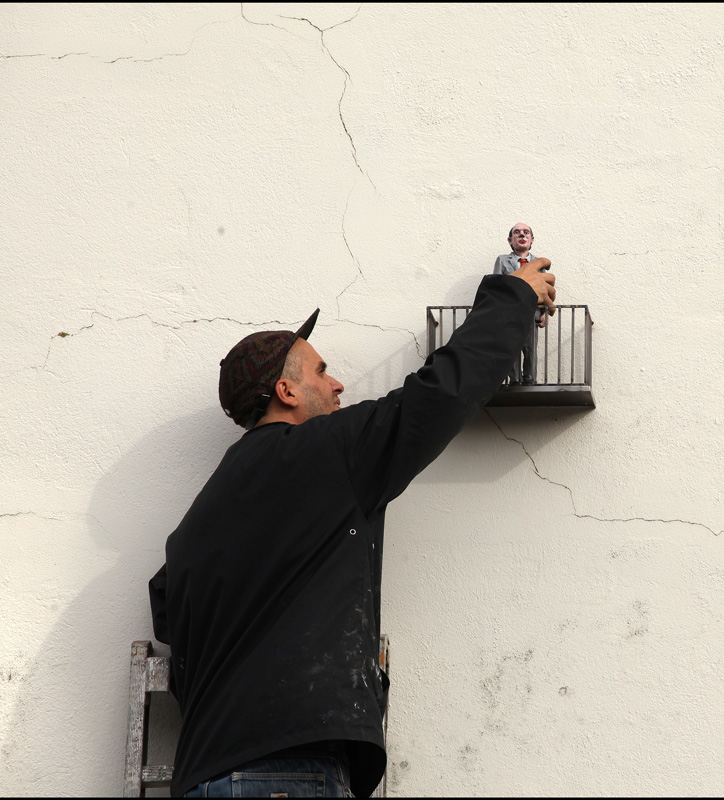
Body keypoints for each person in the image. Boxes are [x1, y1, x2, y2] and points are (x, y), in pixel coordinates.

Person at [148, 259, 556, 797]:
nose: (337, 383)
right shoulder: (327, 453)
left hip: (202, 776)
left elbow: (167, 605)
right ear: (286, 392)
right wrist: (513, 296)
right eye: (320, 371)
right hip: (285, 773)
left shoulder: (200, 516)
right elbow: (438, 396)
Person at [493, 222, 549, 384]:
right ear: (511, 240)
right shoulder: (503, 260)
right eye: (517, 232)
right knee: (512, 347)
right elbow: (496, 286)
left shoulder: (539, 263)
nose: (522, 235)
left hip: (532, 312)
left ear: (532, 240)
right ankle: (515, 379)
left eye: (526, 232)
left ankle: (530, 378)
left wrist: (545, 312)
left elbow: (545, 288)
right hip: (510, 312)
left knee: (530, 347)